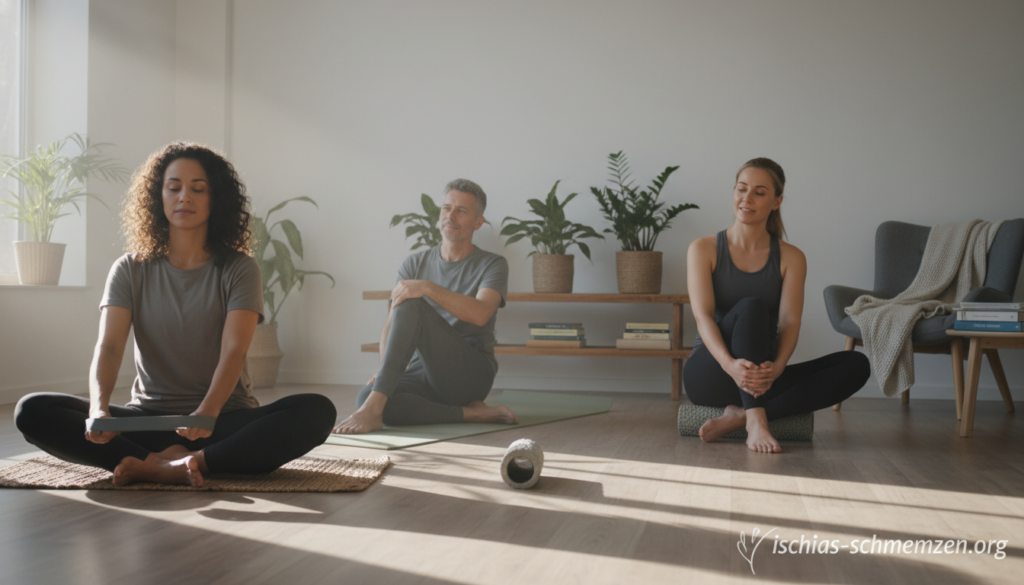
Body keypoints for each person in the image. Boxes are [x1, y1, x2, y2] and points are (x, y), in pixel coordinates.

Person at [14, 142, 336, 486]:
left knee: (316, 410)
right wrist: (99, 409)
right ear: (158, 196)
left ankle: (181, 463)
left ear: (217, 200)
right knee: (33, 409)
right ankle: (160, 462)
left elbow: (234, 350)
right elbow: (108, 347)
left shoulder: (240, 268)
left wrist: (207, 413)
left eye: (199, 189)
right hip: (147, 422)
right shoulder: (128, 268)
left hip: (221, 421)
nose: (185, 197)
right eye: (174, 188)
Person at [683, 158, 870, 453]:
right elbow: (702, 316)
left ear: (776, 201)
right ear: (733, 192)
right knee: (752, 306)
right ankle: (757, 420)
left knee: (856, 364)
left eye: (759, 192)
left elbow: (789, 323)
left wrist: (778, 368)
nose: (747, 198)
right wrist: (731, 366)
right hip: (712, 373)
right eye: (742, 189)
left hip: (762, 376)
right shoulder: (703, 249)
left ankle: (740, 417)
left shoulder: (791, 257)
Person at [333, 179, 518, 434]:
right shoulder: (414, 263)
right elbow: (391, 322)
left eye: (461, 211)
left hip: (470, 372)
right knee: (368, 395)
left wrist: (428, 288)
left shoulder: (492, 264)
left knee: (412, 303)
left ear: (478, 222)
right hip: (425, 371)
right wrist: (382, 373)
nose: (450, 216)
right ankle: (470, 413)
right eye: (446, 208)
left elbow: (481, 314)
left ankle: (373, 411)